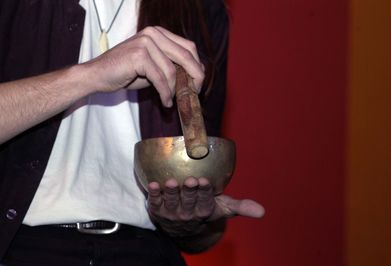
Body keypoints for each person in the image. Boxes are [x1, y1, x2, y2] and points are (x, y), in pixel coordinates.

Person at [0, 0, 265, 265]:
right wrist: (91, 76)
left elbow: (204, 237)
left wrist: (189, 219)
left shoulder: (199, 9)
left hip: (149, 250)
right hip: (21, 245)